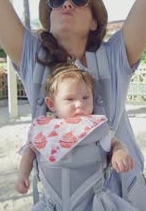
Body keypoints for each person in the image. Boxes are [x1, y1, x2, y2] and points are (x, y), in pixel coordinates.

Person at [0, 0, 146, 210]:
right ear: (49, 21)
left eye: (79, 0)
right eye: (56, 1)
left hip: (126, 200)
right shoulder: (33, 58)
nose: (66, 3)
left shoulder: (114, 58)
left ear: (94, 23)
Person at [14, 63, 134, 202]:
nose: (79, 104)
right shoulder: (45, 130)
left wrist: (119, 153)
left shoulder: (95, 127)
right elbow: (30, 151)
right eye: (70, 99)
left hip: (91, 202)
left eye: (85, 97)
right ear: (52, 104)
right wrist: (22, 175)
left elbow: (116, 143)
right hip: (54, 202)